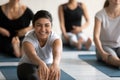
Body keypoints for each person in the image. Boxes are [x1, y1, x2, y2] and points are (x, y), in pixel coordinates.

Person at [17, 10, 62, 80]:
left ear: (51, 26)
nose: (43, 29)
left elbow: (57, 53)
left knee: (54, 77)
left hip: (47, 65)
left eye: (47, 25)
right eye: (39, 25)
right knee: (35, 78)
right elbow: (32, 55)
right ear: (33, 26)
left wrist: (55, 64)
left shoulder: (56, 39)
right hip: (28, 65)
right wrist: (41, 63)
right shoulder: (28, 39)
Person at [94, 0, 120, 67]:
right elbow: (96, 37)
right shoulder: (100, 15)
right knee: (114, 59)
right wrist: (102, 53)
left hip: (118, 46)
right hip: (104, 47)